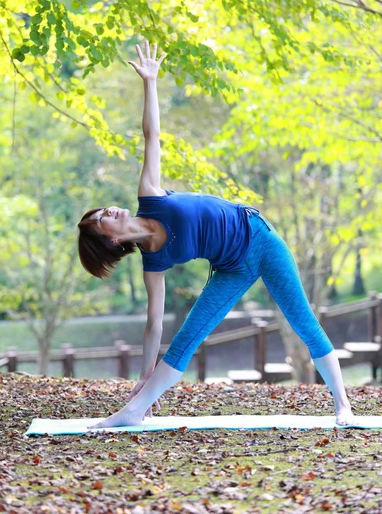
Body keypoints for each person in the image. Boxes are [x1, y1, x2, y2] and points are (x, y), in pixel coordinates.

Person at [78, 40, 354, 430]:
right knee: (186, 339)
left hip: (260, 239)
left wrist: (150, 82)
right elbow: (153, 323)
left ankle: (343, 405)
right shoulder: (153, 263)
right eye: (102, 219)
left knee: (303, 321)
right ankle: (134, 410)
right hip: (231, 270)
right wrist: (143, 377)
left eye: (103, 209)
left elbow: (151, 136)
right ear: (110, 241)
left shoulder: (150, 196)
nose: (109, 210)